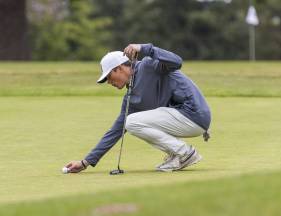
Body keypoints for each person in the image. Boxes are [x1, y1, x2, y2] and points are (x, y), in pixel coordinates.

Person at [65, 43, 211, 173]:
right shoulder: (130, 98)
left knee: (132, 122)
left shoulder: (148, 65)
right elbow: (116, 131)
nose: (109, 82)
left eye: (109, 77)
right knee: (130, 122)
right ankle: (177, 154)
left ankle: (184, 153)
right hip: (185, 119)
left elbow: (177, 61)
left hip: (193, 113)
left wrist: (144, 48)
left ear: (120, 68)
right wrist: (85, 162)